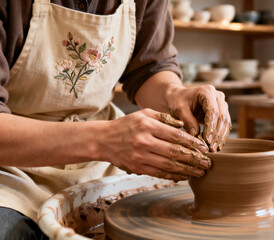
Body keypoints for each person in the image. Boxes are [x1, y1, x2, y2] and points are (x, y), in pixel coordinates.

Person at [0, 0, 231, 238]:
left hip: (104, 161)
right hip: (14, 163)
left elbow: (148, 69)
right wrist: (105, 140)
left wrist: (174, 93)